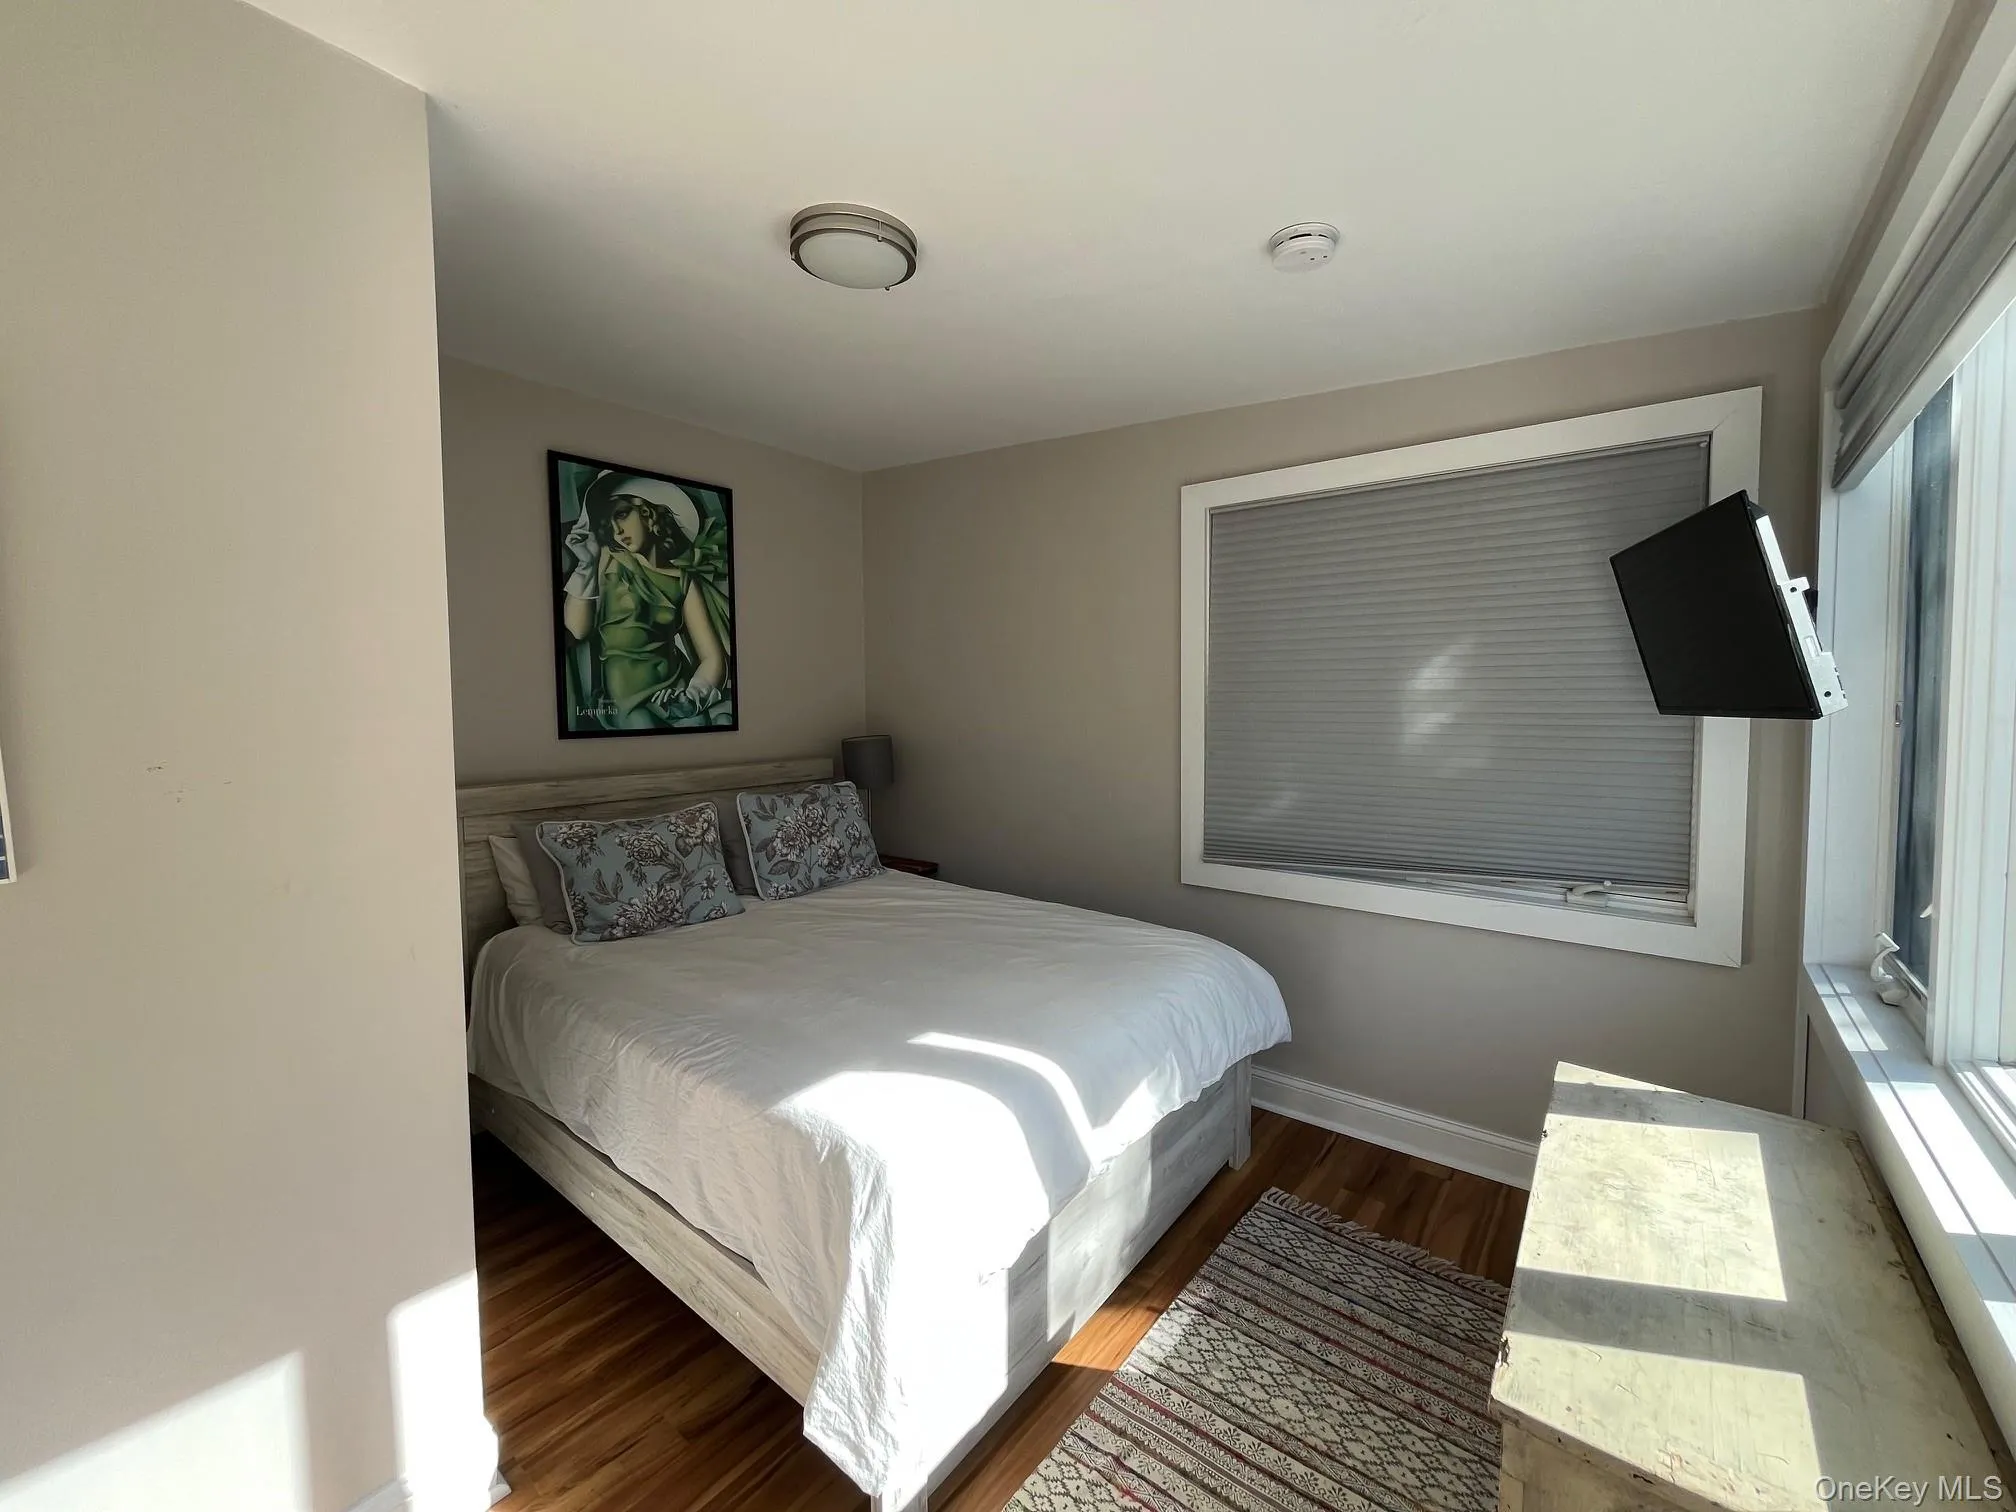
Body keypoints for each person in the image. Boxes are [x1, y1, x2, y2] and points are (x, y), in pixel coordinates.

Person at [560, 473, 732, 729]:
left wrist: (691, 697)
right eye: (608, 522)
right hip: (623, 698)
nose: (616, 531)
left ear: (648, 511)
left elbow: (712, 657)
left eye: (621, 514)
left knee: (696, 725)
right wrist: (585, 565)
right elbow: (577, 629)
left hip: (673, 690)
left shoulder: (683, 579)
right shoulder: (606, 559)